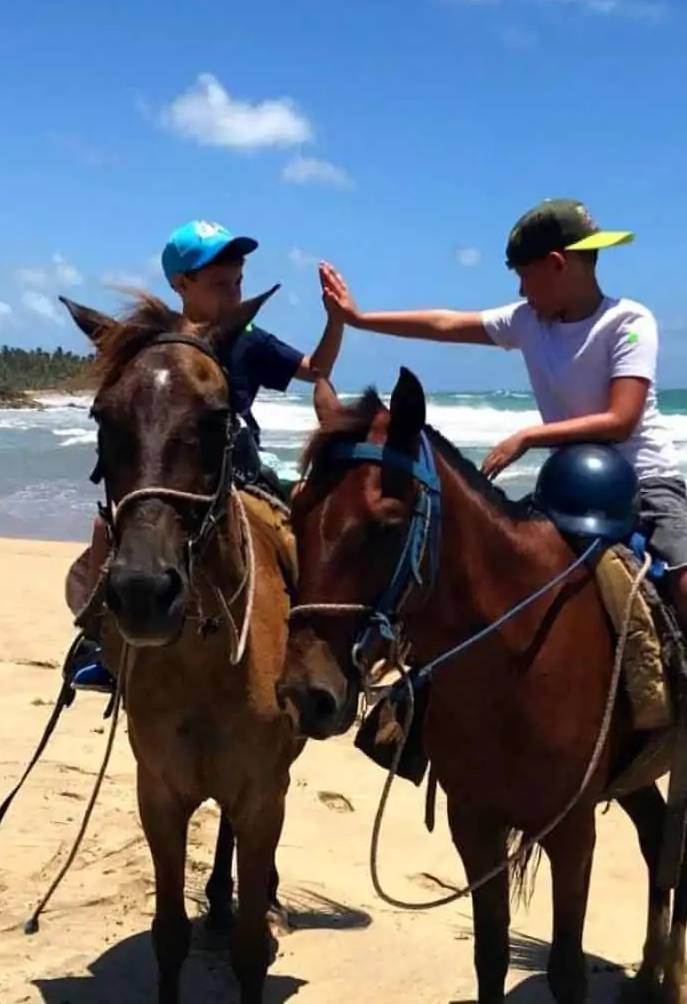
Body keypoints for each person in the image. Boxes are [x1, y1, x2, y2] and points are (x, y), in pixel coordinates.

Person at [317, 197, 687, 631]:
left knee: (683, 580)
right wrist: (359, 319)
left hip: (645, 479)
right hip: (570, 481)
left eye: (522, 276)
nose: (519, 291)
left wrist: (527, 437)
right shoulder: (529, 321)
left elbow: (620, 419)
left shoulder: (628, 321)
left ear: (556, 264)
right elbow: (446, 324)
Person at [67, 219, 347, 693]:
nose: (233, 295)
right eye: (220, 284)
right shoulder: (152, 343)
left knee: (302, 526)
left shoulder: (250, 337)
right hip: (177, 472)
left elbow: (315, 368)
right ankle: (99, 641)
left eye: (238, 283)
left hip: (241, 468)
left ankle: (317, 643)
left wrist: (335, 320)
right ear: (182, 284)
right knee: (106, 529)